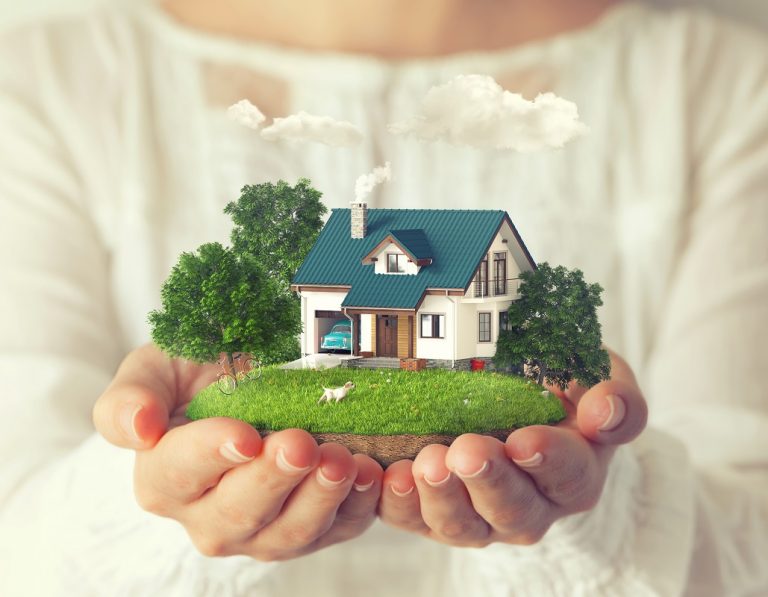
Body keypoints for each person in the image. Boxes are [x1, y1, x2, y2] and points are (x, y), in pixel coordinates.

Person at [1, 0, 766, 595]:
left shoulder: (728, 90)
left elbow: (748, 542)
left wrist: (609, 500)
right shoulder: (42, 87)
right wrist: (157, 491)